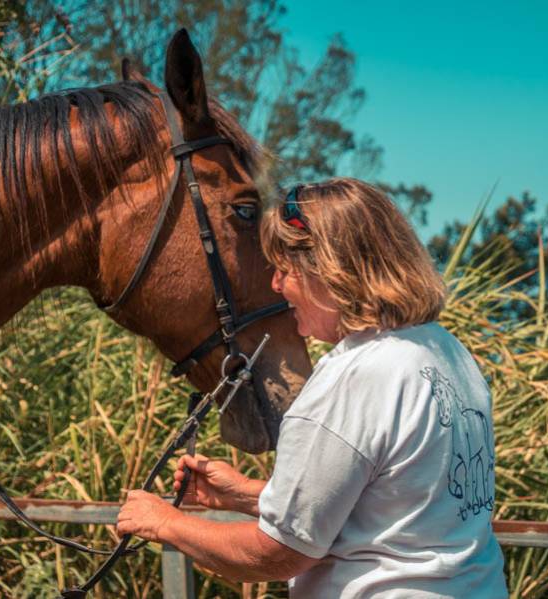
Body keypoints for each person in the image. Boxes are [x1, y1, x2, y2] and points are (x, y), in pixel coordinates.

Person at [117, 178, 508, 597]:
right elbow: (396, 505)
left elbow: (279, 553)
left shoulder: (353, 377)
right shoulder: (444, 351)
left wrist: (165, 523)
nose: (277, 285)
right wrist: (246, 495)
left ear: (332, 272)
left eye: (286, 270)